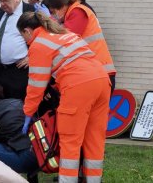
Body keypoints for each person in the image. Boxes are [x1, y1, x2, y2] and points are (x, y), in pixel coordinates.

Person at [17, 11, 110, 183]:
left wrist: (27, 113)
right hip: (102, 81)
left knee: (70, 142)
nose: (24, 40)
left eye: (22, 35)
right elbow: (74, 62)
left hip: (78, 87)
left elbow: (36, 86)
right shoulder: (66, 34)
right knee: (94, 140)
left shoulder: (38, 45)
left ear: (27, 31)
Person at [42, 0, 116, 93]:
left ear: (60, 6)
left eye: (53, 11)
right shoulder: (72, 13)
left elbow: (64, 39)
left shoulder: (78, 12)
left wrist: (49, 21)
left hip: (98, 74)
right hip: (95, 73)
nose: (54, 14)